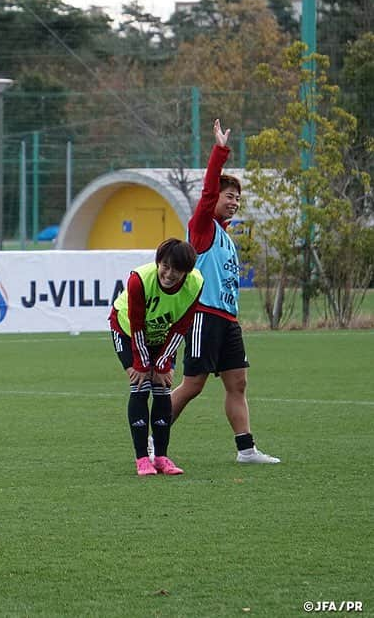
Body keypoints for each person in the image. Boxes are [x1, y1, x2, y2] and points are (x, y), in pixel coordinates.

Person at [170, 119, 280, 464]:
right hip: (204, 315)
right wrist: (220, 151)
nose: (234, 202)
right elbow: (206, 192)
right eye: (229, 195)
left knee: (238, 383)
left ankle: (246, 450)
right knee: (193, 385)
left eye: (237, 198)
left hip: (227, 320)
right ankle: (150, 438)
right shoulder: (201, 228)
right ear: (214, 197)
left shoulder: (226, 236)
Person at [109, 239, 203, 476]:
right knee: (140, 386)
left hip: (163, 336)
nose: (170, 274)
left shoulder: (195, 284)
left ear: (187, 272)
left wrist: (162, 363)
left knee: (162, 387)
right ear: (158, 262)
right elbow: (137, 324)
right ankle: (141, 458)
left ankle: (161, 457)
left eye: (177, 270)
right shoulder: (139, 280)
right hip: (128, 331)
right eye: (165, 266)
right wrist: (141, 364)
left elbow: (181, 327)